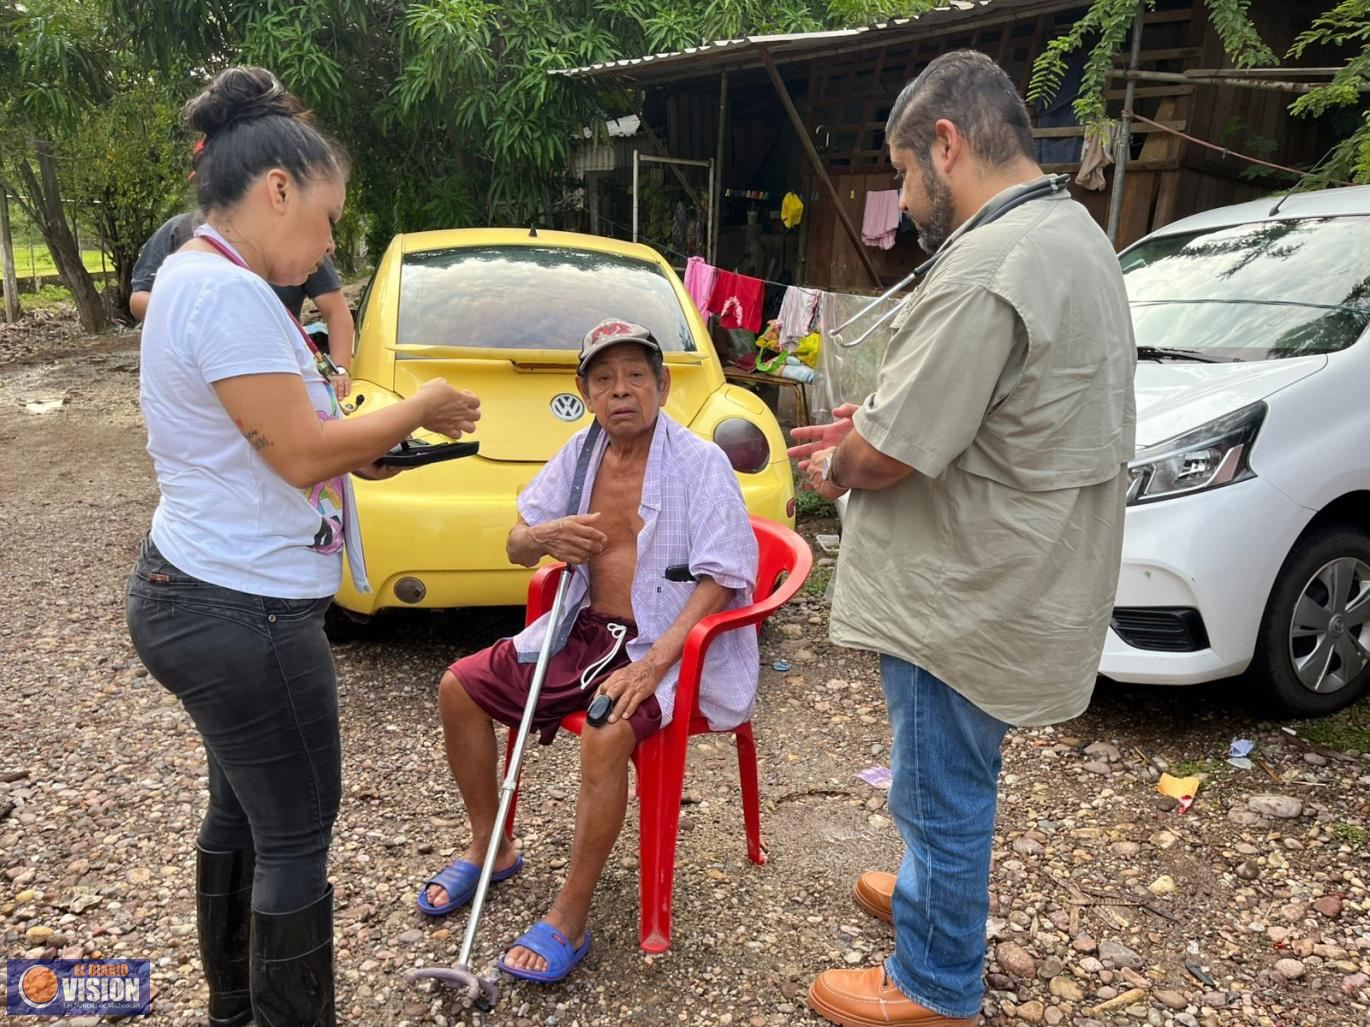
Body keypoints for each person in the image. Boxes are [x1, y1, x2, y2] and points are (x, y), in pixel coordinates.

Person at [125, 66, 480, 1027]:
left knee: (244, 810)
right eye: (326, 219)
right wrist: (420, 405)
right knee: (295, 833)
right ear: (275, 189)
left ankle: (234, 1008)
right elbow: (296, 451)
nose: (330, 245)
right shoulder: (229, 296)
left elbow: (280, 440)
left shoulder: (204, 280)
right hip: (240, 610)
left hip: (196, 586)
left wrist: (366, 453)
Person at [790, 51, 1136, 1027]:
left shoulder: (992, 261)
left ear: (945, 143)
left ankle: (935, 980)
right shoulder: (1071, 234)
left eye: (903, 171)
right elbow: (982, 406)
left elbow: (888, 454)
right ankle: (928, 892)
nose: (903, 200)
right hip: (1023, 567)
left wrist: (842, 459)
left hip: (965, 587)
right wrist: (881, 424)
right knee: (945, 772)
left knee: (939, 779)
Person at [419, 319, 758, 983]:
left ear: (661, 384)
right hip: (581, 629)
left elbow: (723, 574)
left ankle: (570, 915)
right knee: (457, 687)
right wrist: (540, 536)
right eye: (604, 379)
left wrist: (658, 658)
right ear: (583, 391)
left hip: (660, 640)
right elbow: (518, 541)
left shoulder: (700, 462)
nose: (621, 390)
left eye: (636, 375)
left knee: (605, 731)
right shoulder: (579, 455)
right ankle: (492, 844)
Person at [130, 211, 357, 397]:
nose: (330, 246)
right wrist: (204, 313)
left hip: (279, 372)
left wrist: (339, 371)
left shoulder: (299, 240)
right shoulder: (178, 231)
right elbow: (139, 299)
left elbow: (336, 312)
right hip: (197, 378)